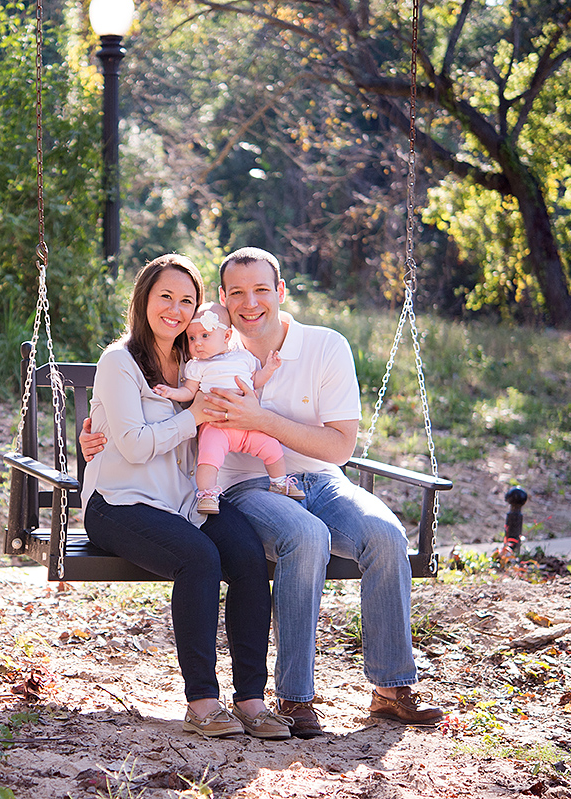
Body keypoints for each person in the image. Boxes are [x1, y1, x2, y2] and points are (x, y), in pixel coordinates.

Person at [81, 247, 445, 738]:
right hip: (202, 492)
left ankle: (384, 688)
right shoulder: (177, 353)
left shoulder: (269, 349)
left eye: (187, 301)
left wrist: (254, 419)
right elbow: (145, 428)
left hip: (271, 488)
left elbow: (338, 447)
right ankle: (280, 700)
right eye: (235, 294)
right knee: (285, 541)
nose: (248, 303)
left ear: (280, 292)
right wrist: (100, 434)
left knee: (378, 536)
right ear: (225, 305)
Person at [82, 253, 290, 740]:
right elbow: (132, 446)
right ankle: (202, 703)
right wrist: (194, 414)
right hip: (119, 503)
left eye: (187, 300)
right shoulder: (120, 362)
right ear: (143, 300)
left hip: (180, 503)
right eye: (165, 298)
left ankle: (252, 701)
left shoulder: (198, 361)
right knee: (198, 558)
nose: (176, 310)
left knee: (244, 553)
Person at [152, 302, 304, 514]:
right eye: (192, 338)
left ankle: (278, 482)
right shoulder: (196, 366)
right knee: (208, 460)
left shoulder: (243, 358)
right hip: (216, 426)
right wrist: (171, 392)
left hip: (249, 425)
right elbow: (188, 391)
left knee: (272, 447)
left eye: (205, 336)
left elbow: (256, 380)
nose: (197, 344)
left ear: (226, 336)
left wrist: (269, 368)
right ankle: (207, 495)